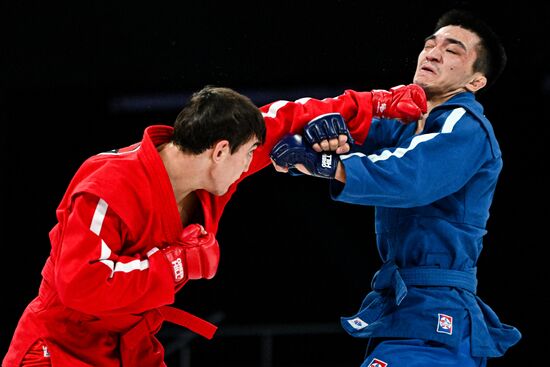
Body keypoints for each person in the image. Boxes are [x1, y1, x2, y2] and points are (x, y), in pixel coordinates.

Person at [3, 82, 426, 367]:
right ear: (220, 150)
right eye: (249, 155)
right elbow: (81, 284)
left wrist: (377, 104)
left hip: (130, 349)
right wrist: (177, 263)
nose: (252, 164)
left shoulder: (216, 168)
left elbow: (285, 116)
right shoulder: (106, 185)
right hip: (58, 348)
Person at [271, 8, 521, 367]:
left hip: (438, 315)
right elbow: (347, 137)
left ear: (475, 81)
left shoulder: (465, 126)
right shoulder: (403, 125)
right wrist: (304, 146)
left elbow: (409, 176)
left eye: (452, 50)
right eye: (430, 45)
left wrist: (326, 165)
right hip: (404, 313)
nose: (432, 53)